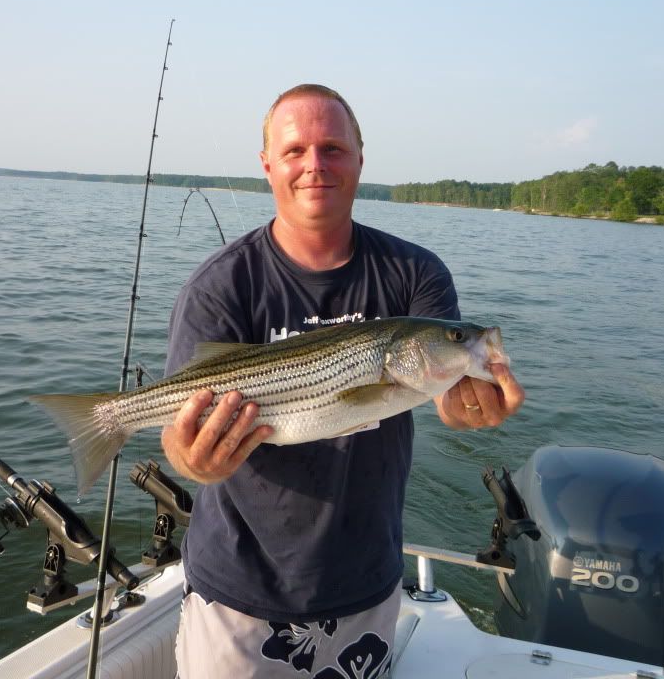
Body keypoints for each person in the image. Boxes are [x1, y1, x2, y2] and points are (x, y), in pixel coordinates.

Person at [162, 83, 524, 678]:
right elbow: (182, 434)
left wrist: (469, 406)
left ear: (360, 157)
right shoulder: (219, 286)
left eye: (333, 148)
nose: (314, 165)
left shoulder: (415, 273)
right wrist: (190, 458)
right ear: (268, 165)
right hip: (238, 594)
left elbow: (452, 400)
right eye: (296, 149)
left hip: (367, 584)